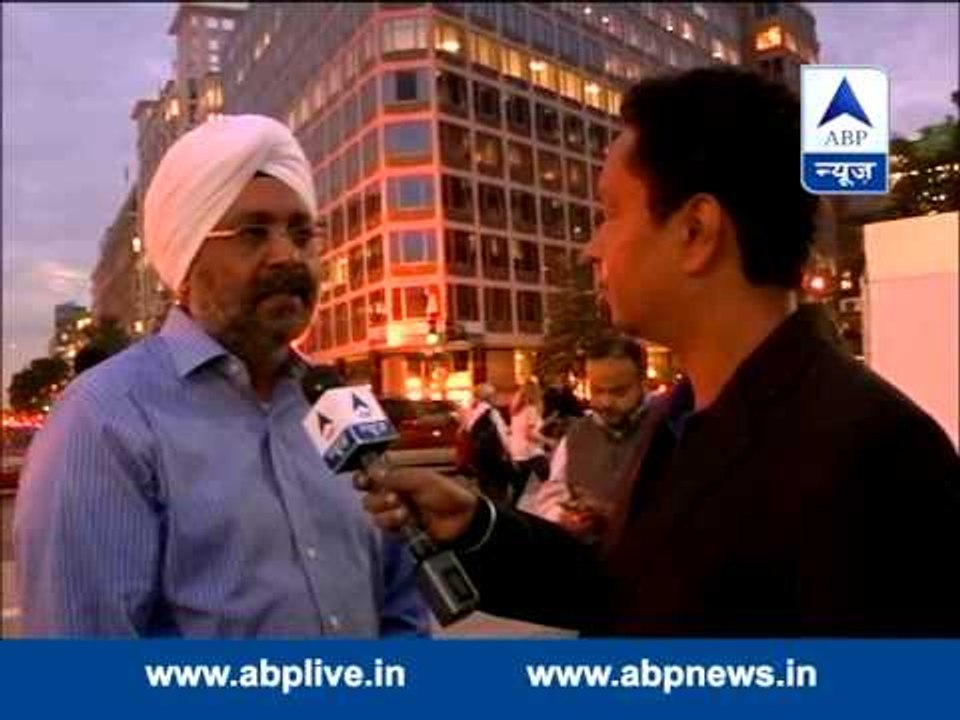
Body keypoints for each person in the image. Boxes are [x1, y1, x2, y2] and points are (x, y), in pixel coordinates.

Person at [357, 67, 960, 636]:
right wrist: (477, 527)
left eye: (610, 212)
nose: (593, 247)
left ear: (696, 231)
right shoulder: (679, 420)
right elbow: (625, 592)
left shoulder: (876, 454)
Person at [14, 115, 429, 637]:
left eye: (302, 233)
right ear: (186, 260)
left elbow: (402, 602)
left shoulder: (338, 404)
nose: (288, 255)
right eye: (253, 233)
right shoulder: (104, 420)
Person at [532, 335, 652, 544]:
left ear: (643, 381)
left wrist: (608, 513)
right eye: (597, 390)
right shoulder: (576, 433)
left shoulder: (669, 430)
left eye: (618, 391)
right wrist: (562, 517)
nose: (605, 402)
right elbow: (551, 495)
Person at [455, 383, 515, 503]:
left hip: (478, 458)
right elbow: (503, 437)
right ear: (489, 397)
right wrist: (510, 455)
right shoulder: (492, 412)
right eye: (494, 395)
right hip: (494, 458)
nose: (496, 397)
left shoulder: (469, 412)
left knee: (485, 489)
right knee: (499, 492)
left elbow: (462, 432)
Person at [508, 381, 552, 505]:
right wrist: (549, 441)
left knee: (518, 489)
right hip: (530, 451)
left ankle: (511, 511)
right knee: (550, 482)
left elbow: (521, 430)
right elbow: (530, 434)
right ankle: (550, 512)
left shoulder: (516, 411)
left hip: (517, 452)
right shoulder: (531, 409)